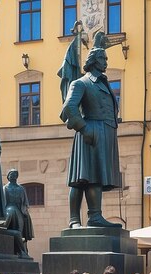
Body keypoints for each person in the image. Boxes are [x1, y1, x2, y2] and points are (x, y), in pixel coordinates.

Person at [60, 32, 122, 228]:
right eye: (102, 58)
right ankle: (74, 220)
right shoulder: (81, 83)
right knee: (81, 178)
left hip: (106, 133)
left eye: (106, 58)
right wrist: (84, 128)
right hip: (90, 132)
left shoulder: (104, 83)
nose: (105, 61)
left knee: (95, 176)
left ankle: (95, 216)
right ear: (93, 61)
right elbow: (69, 107)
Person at [0, 168, 34, 257]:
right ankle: (17, 251)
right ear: (8, 176)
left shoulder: (21, 188)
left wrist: (25, 212)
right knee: (15, 231)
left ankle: (22, 249)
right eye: (11, 174)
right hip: (8, 211)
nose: (13, 176)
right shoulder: (5, 188)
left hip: (20, 212)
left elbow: (25, 202)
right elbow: (2, 203)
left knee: (21, 231)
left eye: (15, 174)